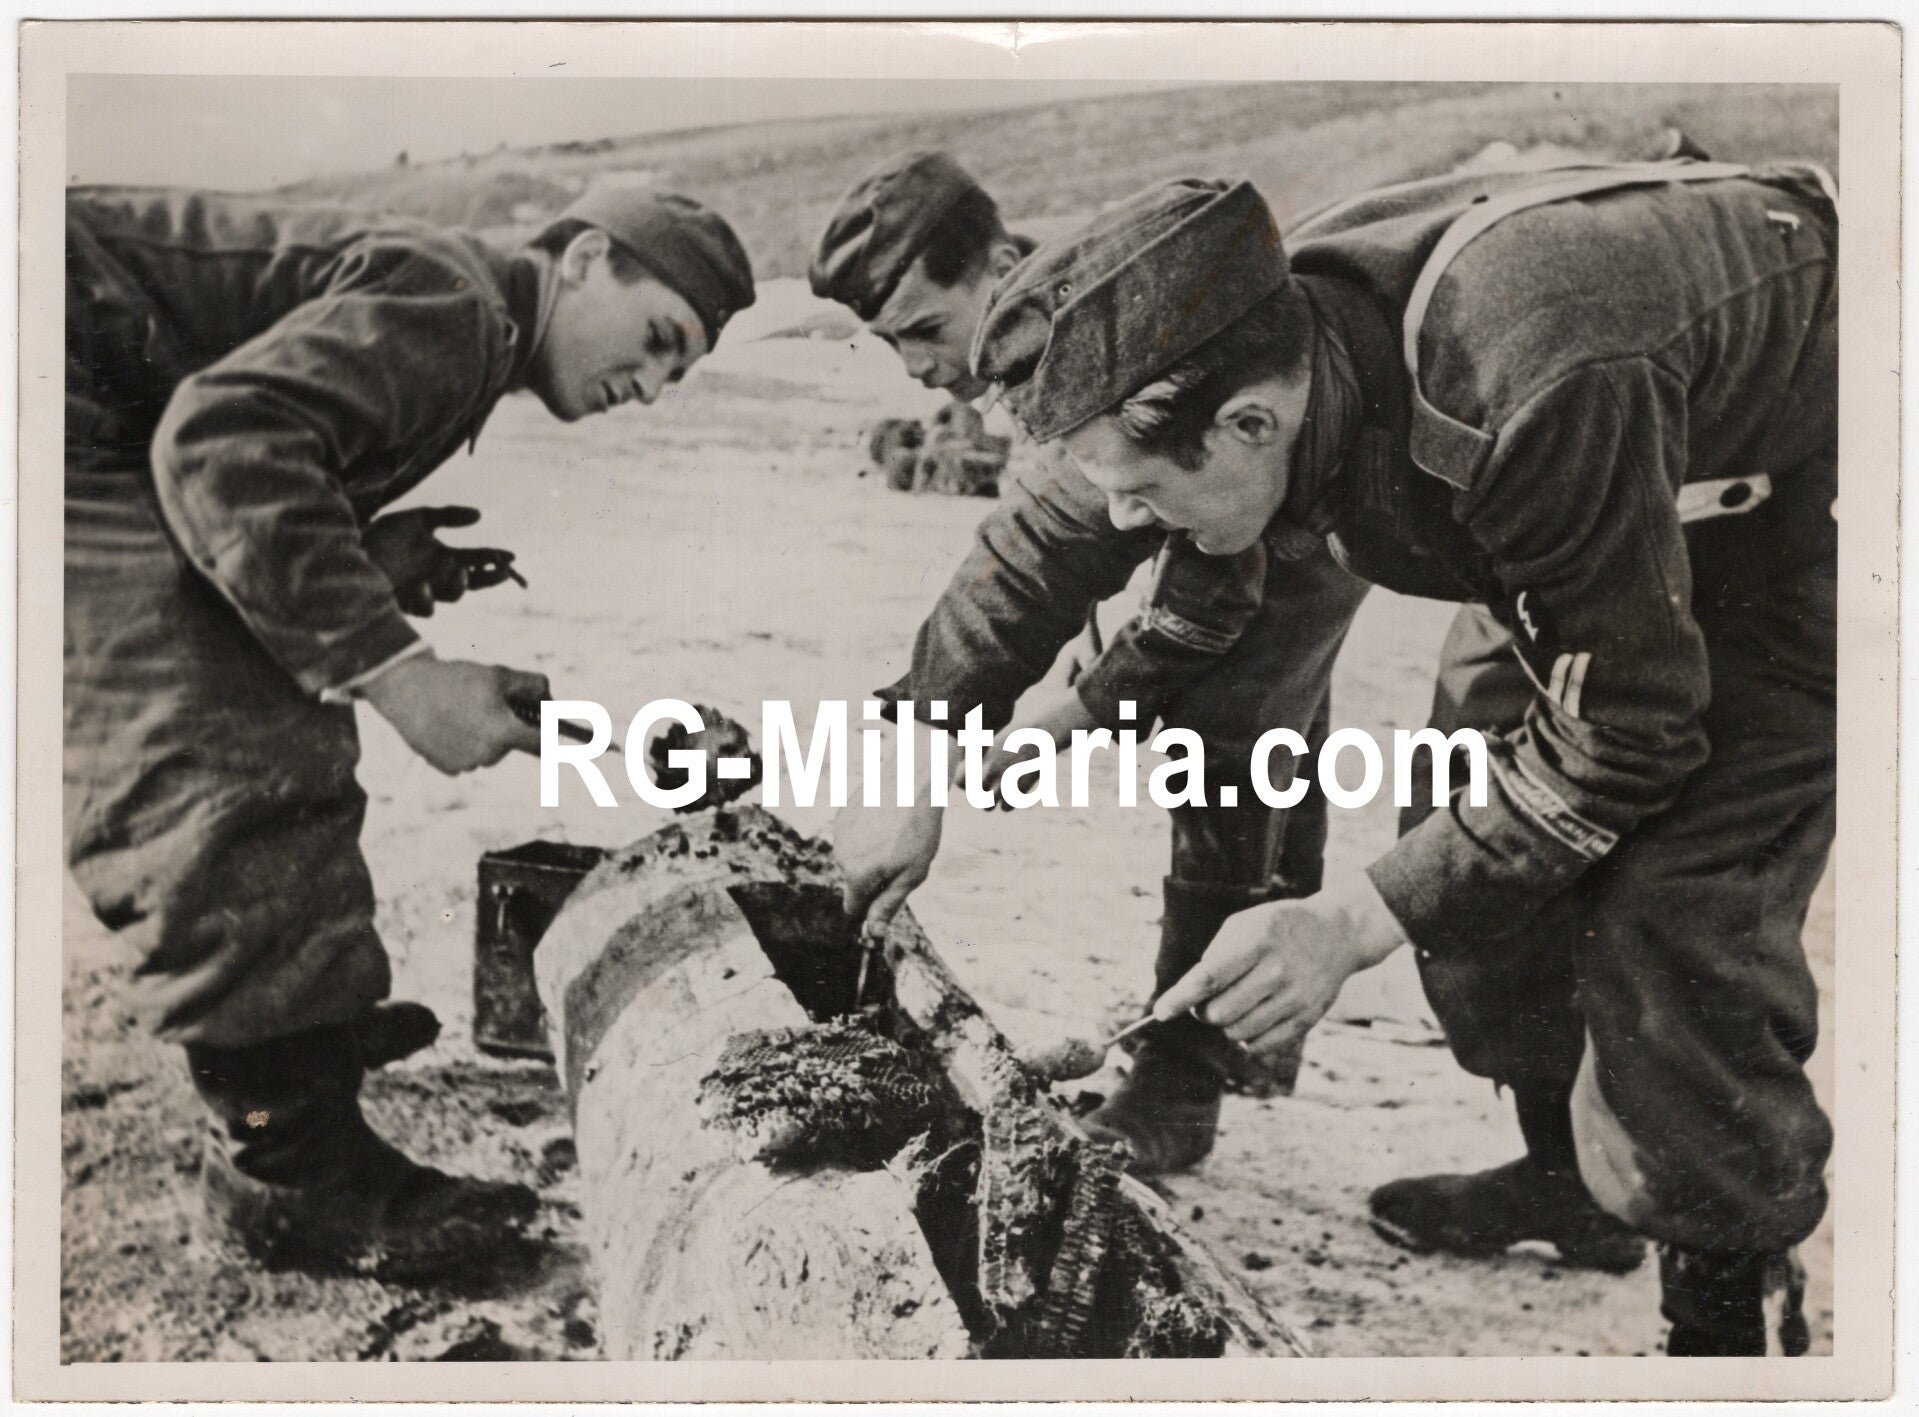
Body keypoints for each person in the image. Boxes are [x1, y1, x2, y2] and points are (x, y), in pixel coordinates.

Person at [967, 159, 1836, 1355]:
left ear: (1250, 425)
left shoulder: (1523, 384)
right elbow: (1069, 537)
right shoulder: (1254, 346)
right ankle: (1565, 1179)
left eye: (1144, 496)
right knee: (1462, 826)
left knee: (1669, 906)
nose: (1127, 523)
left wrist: (1346, 922)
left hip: (1795, 516)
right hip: (1588, 506)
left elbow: (1627, 729)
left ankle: (1728, 1320)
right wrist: (928, 728)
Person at [65, 181, 754, 1280]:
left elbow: (252, 440)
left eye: (682, 370)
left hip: (92, 387)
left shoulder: (472, 314)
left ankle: (294, 1036)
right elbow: (222, 445)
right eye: (661, 338)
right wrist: (400, 672)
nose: (656, 387)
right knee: (226, 745)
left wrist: (367, 561)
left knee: (278, 686)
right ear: (580, 258)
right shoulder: (458, 303)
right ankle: (284, 1164)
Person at [814, 151, 1370, 1175]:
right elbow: (1046, 557)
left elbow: (1178, 593)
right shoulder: (1044, 339)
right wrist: (931, 747)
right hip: (1229, 514)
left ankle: (1184, 1073)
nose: (920, 371)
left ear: (996, 261)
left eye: (927, 330)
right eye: (891, 346)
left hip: (1295, 498)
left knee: (1230, 740)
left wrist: (1072, 712)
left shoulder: (1107, 338)